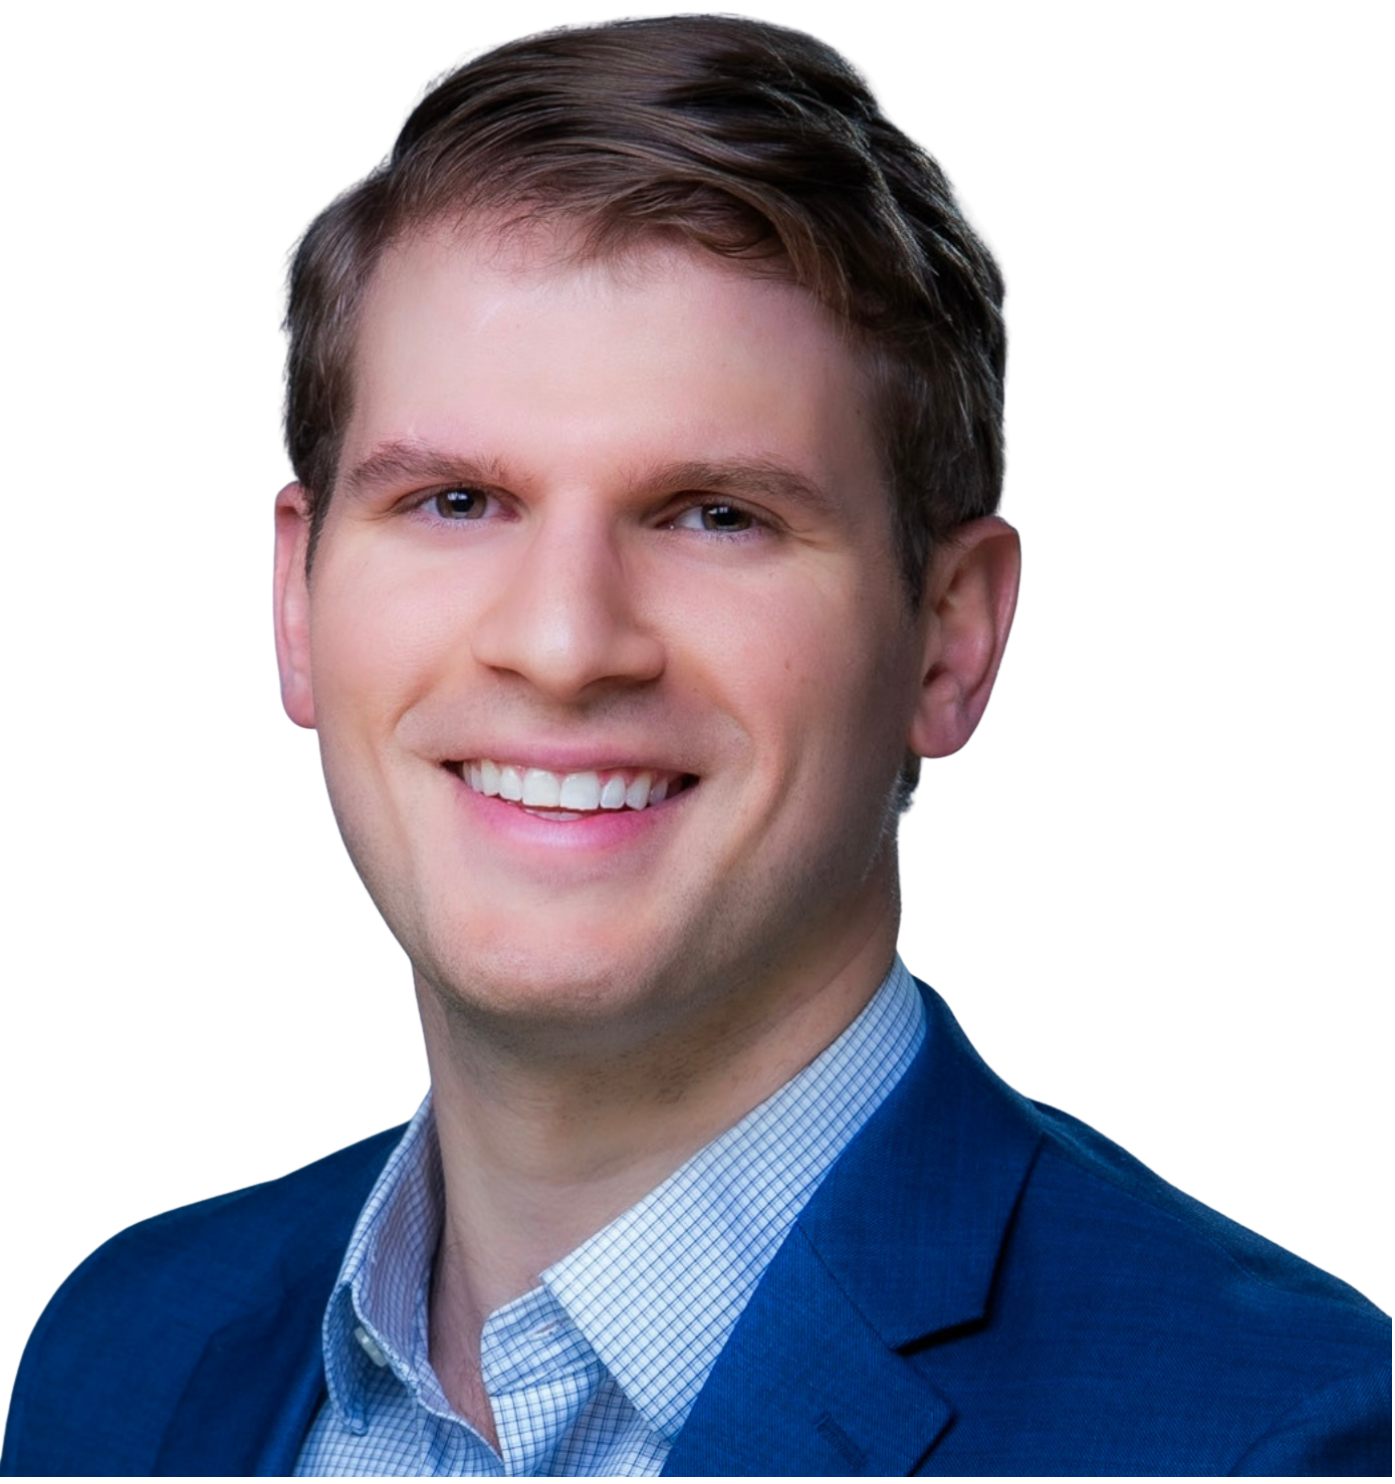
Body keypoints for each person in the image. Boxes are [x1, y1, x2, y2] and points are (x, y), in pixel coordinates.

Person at [2, 14, 1388, 1477]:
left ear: (946, 636)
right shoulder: (124, 1359)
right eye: (456, 502)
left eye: (714, 514)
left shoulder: (1276, 1436)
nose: (561, 641)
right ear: (297, 596)